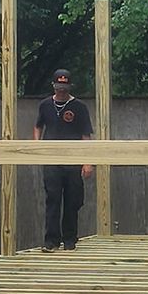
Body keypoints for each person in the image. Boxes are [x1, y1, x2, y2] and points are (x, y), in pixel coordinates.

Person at [32, 66, 94, 252]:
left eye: (64, 88)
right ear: (53, 86)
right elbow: (38, 127)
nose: (61, 91)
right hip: (52, 161)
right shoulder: (45, 105)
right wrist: (38, 146)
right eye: (58, 87)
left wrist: (87, 162)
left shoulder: (79, 107)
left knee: (72, 201)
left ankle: (69, 240)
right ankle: (51, 241)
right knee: (53, 200)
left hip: (73, 161)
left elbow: (86, 135)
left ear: (69, 88)